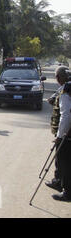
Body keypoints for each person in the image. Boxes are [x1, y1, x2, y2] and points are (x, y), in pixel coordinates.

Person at [50, 66, 71, 202]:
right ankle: (59, 182)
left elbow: (66, 115)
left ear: (60, 77)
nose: (57, 79)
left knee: (65, 164)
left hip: (67, 135)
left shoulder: (66, 90)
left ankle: (67, 192)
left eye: (57, 77)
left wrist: (60, 135)